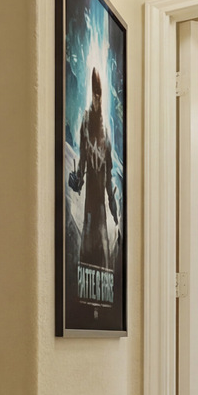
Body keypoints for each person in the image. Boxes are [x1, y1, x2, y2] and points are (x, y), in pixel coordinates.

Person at [67, 68, 119, 268]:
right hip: (90, 200)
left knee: (101, 247)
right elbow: (82, 159)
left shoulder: (105, 132)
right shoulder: (86, 122)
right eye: (95, 93)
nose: (97, 98)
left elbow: (108, 176)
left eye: (99, 94)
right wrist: (78, 179)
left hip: (100, 204)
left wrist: (113, 204)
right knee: (89, 245)